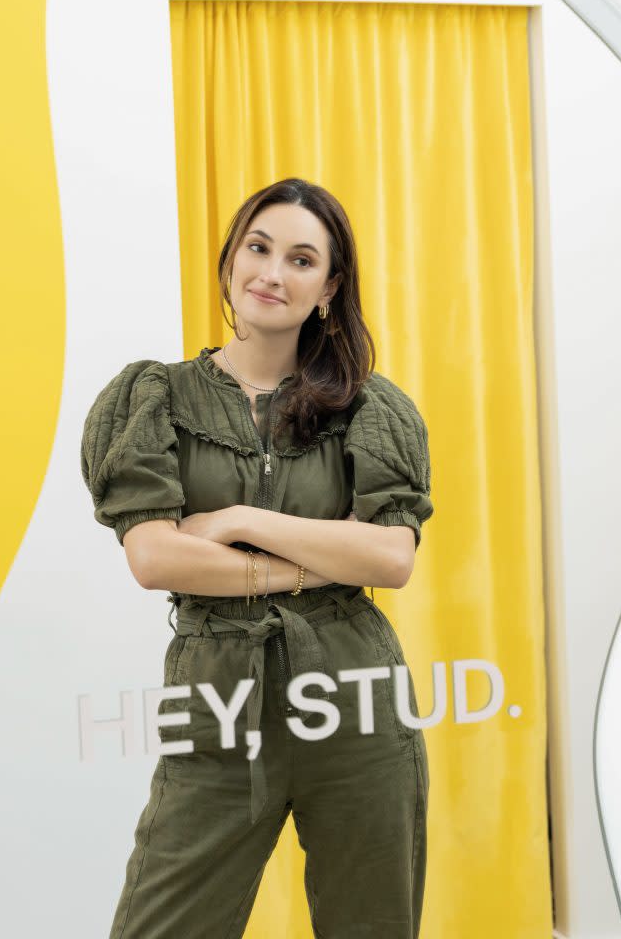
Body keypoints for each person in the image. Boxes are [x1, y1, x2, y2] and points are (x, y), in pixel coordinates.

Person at [81, 177, 434, 939]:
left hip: (357, 704)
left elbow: (391, 555)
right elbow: (155, 558)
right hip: (216, 707)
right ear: (231, 258)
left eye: (301, 259)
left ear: (329, 288)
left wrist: (240, 519)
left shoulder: (370, 406)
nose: (272, 273)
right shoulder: (155, 397)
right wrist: (323, 560)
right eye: (258, 247)